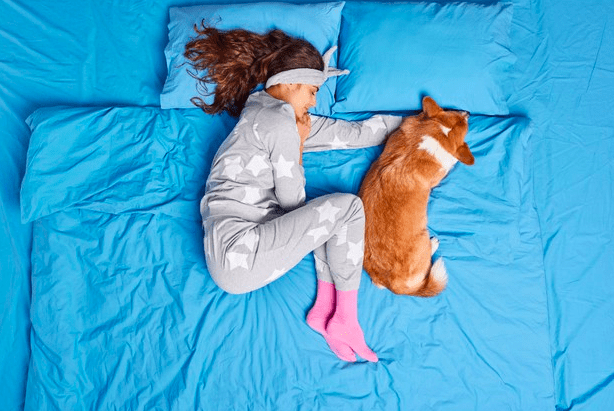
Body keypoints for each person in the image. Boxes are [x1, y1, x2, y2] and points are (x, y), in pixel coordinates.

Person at [185, 25, 401, 363]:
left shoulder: (266, 111)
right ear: (290, 82)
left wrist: (419, 123)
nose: (314, 102)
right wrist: (298, 145)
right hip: (240, 254)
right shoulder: (280, 125)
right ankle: (346, 319)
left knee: (330, 216)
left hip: (233, 251)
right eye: (312, 91)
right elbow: (293, 203)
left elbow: (354, 134)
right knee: (348, 209)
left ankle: (324, 310)